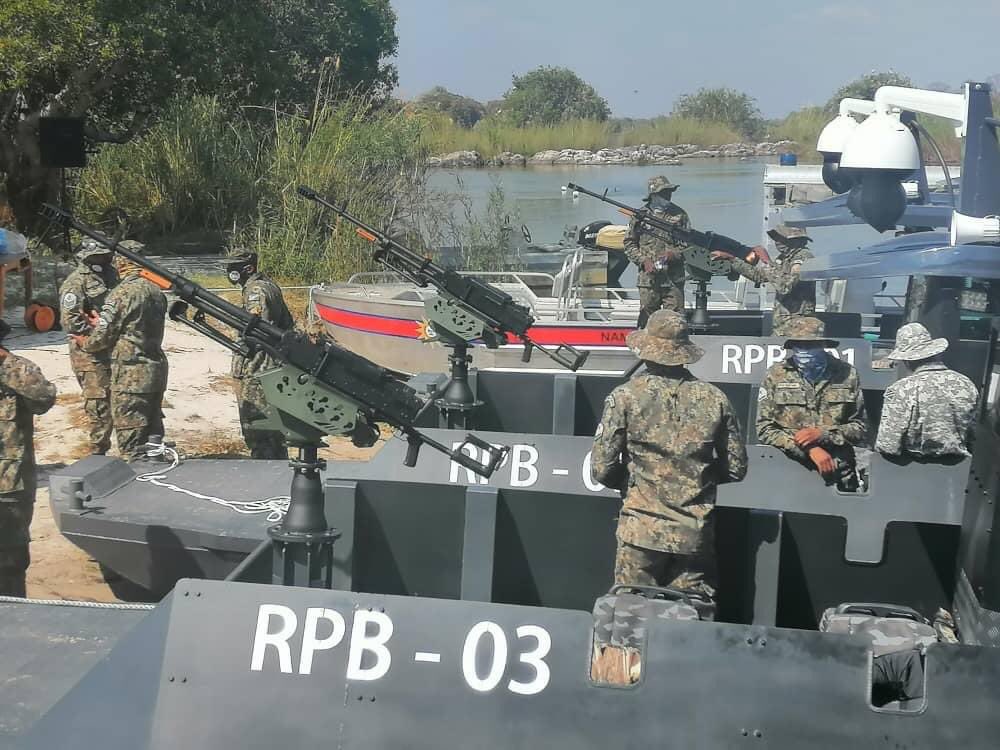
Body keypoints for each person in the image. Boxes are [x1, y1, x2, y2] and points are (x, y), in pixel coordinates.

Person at [591, 310, 747, 609]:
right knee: (691, 618)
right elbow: (737, 468)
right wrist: (695, 478)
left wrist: (632, 483)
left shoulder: (624, 396)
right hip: (694, 534)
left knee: (630, 619)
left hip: (640, 530)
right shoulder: (715, 398)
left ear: (647, 350)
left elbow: (601, 468)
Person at [72, 243, 168, 460]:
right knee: (153, 435)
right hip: (156, 369)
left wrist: (84, 342)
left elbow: (102, 337)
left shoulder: (121, 293)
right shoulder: (156, 291)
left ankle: (139, 483)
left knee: (132, 444)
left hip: (130, 375)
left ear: (121, 262)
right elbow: (136, 325)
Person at [756, 316, 868, 482]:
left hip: (839, 471)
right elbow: (764, 427)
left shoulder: (846, 374)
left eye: (811, 344)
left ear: (823, 344)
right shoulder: (775, 374)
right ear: (792, 346)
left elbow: (860, 427)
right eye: (799, 345)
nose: (804, 349)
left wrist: (823, 434)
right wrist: (808, 448)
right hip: (790, 471)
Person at [0, 319, 57, 596]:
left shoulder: (17, 368)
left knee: (10, 563)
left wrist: (7, 364)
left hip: (10, 487)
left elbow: (44, 398)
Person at [875, 322, 979, 459]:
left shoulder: (901, 389)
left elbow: (888, 445)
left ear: (907, 360)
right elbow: (972, 434)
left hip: (909, 470)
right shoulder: (966, 384)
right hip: (958, 472)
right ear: (934, 352)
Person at [227, 252, 293, 459]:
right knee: (269, 432)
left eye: (234, 267)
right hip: (266, 367)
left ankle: (267, 471)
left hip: (260, 369)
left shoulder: (256, 291)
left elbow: (258, 331)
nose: (230, 272)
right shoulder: (266, 285)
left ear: (248, 268)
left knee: (260, 430)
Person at [59, 238, 118, 454]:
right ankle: (97, 451)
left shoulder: (112, 275)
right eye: (100, 255)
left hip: (113, 349)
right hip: (89, 353)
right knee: (99, 403)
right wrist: (101, 331)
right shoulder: (75, 283)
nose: (105, 259)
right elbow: (72, 321)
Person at [711, 224, 816, 336]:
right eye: (776, 238)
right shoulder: (784, 258)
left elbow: (785, 286)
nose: (777, 242)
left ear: (794, 240)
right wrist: (732, 259)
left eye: (780, 238)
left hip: (799, 325)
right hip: (783, 324)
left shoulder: (804, 257)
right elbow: (760, 276)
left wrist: (766, 260)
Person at [624, 176, 689, 327]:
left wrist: (674, 254)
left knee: (675, 322)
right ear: (653, 195)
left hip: (673, 279)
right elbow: (629, 243)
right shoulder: (639, 216)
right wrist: (643, 261)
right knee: (647, 319)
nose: (668, 195)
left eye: (669, 192)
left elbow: (690, 245)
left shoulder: (680, 215)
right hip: (648, 279)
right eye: (664, 193)